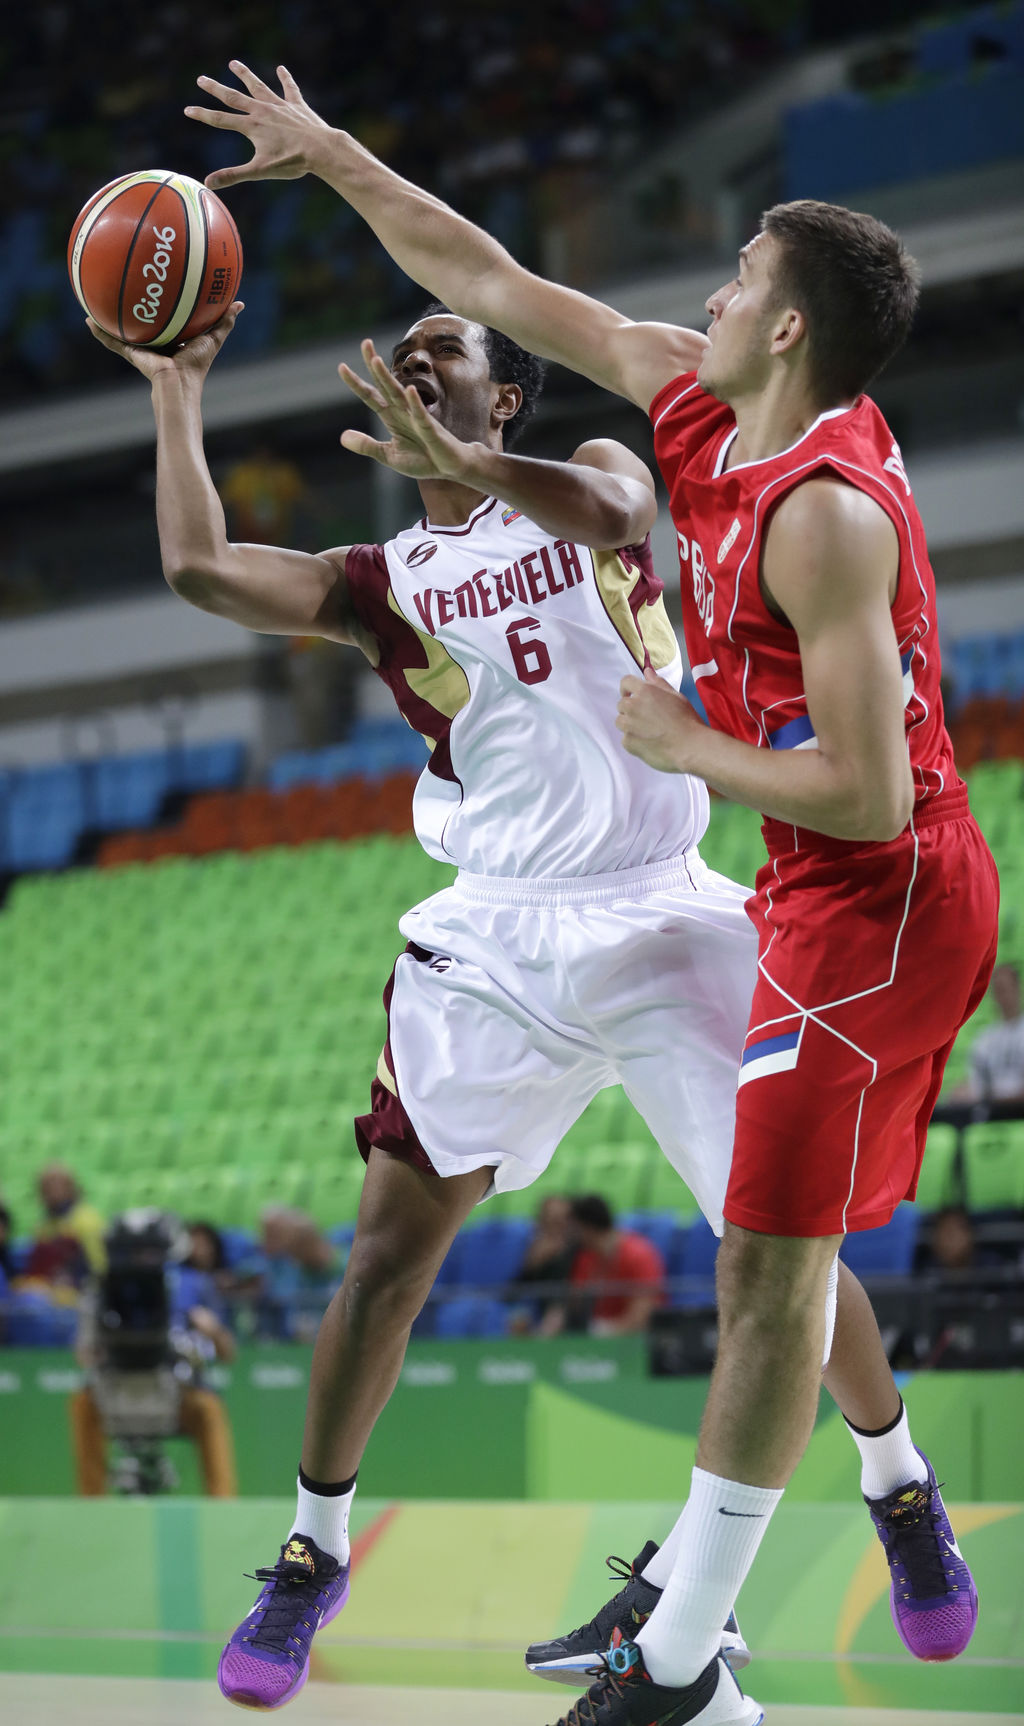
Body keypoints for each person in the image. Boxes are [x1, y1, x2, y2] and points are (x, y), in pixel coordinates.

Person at [185, 66, 998, 1724]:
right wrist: (336, 153)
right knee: (471, 1256)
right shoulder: (638, 435)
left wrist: (682, 725)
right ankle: (334, 1558)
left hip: (773, 894)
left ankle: (810, 1558)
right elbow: (483, 272)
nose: (700, 297)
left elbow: (828, 754)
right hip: (575, 916)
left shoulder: (740, 495)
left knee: (768, 1260)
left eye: (734, 286)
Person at [548, 1194, 666, 1337]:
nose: (569, 1235)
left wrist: (604, 1333)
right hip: (599, 1343)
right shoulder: (586, 1259)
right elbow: (573, 1304)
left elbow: (643, 1315)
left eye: (573, 1228)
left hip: (640, 1342)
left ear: (587, 1228)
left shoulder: (639, 1255)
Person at [508, 1193, 579, 1335]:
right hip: (536, 1308)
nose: (554, 1228)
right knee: (517, 1316)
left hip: (571, 1308)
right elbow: (514, 1292)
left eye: (559, 1221)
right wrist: (533, 1264)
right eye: (547, 1221)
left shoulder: (578, 1249)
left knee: (556, 1314)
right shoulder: (533, 1248)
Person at [965, 962, 1024, 1104]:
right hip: (994, 1116)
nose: (1002, 996)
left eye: (1005, 989)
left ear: (1017, 988)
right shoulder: (984, 1040)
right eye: (997, 990)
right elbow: (977, 1085)